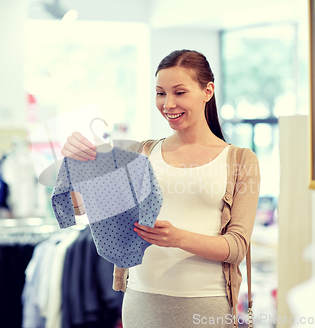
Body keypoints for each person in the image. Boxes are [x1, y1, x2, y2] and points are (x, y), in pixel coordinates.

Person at [61, 49, 260, 328]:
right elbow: (78, 205)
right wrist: (75, 164)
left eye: (179, 92)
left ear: (208, 91)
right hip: (142, 301)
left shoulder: (239, 160)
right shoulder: (140, 153)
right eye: (160, 93)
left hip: (207, 304)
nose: (168, 104)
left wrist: (178, 238)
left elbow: (237, 246)